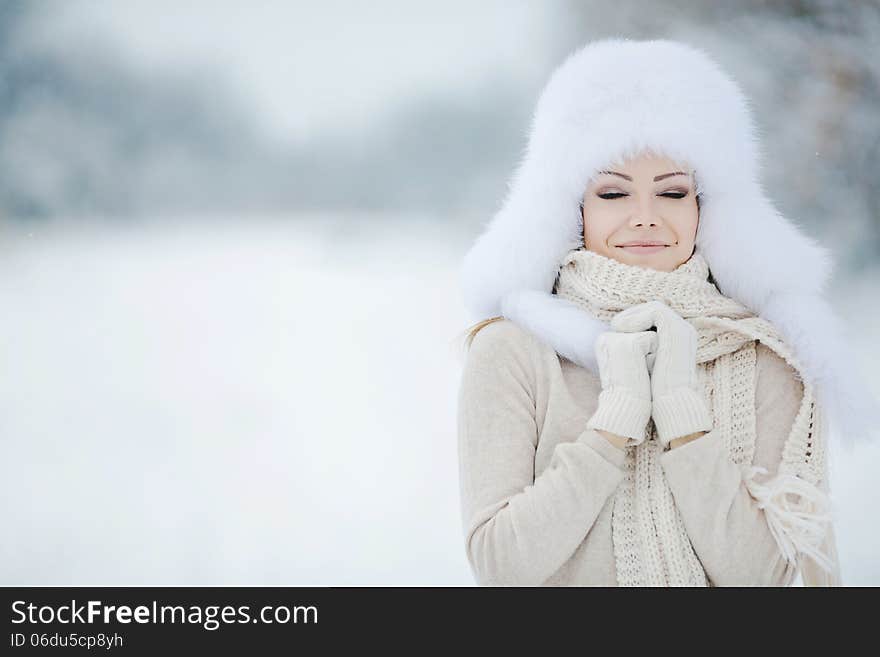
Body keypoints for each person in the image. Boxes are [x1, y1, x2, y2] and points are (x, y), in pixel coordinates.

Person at [455, 38, 880, 587]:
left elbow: (765, 577)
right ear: (571, 209)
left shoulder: (766, 358)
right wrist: (614, 424)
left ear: (707, 206)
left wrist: (682, 414)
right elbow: (502, 566)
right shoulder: (512, 352)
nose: (646, 218)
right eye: (612, 194)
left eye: (673, 192)